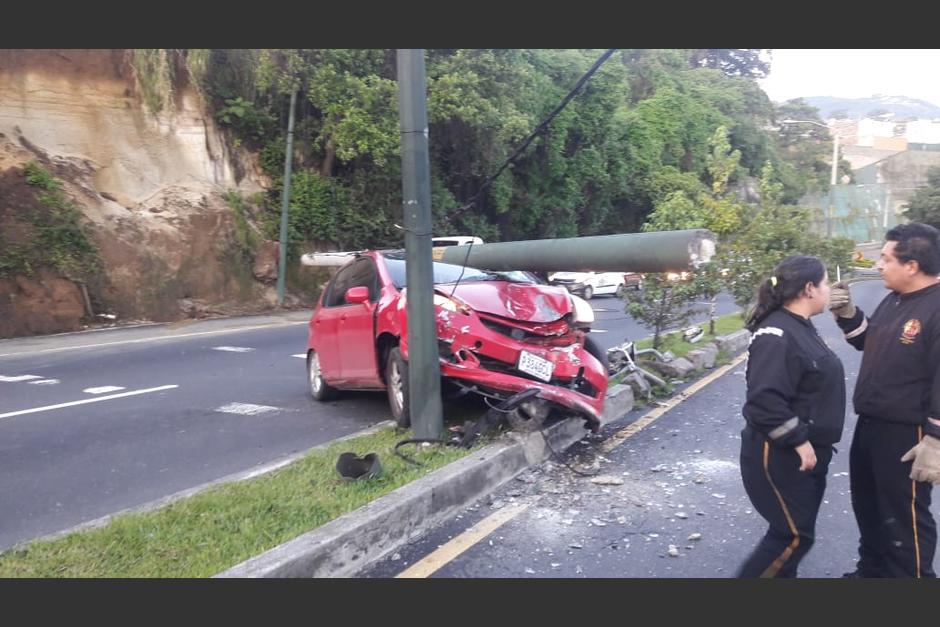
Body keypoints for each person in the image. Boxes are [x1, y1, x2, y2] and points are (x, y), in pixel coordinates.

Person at [829, 222, 940, 578]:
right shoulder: (895, 300)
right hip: (872, 424)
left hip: (908, 432)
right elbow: (868, 340)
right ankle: (872, 573)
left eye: (887, 259)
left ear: (912, 266)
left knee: (903, 517)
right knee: (870, 506)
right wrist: (847, 315)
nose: (879, 265)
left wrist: (936, 439)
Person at [737, 255, 846, 578]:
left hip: (808, 452)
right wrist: (798, 440)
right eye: (826, 284)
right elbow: (764, 401)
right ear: (810, 289)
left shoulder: (800, 327)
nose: (829, 290)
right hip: (781, 453)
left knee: (795, 534)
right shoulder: (776, 334)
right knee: (793, 536)